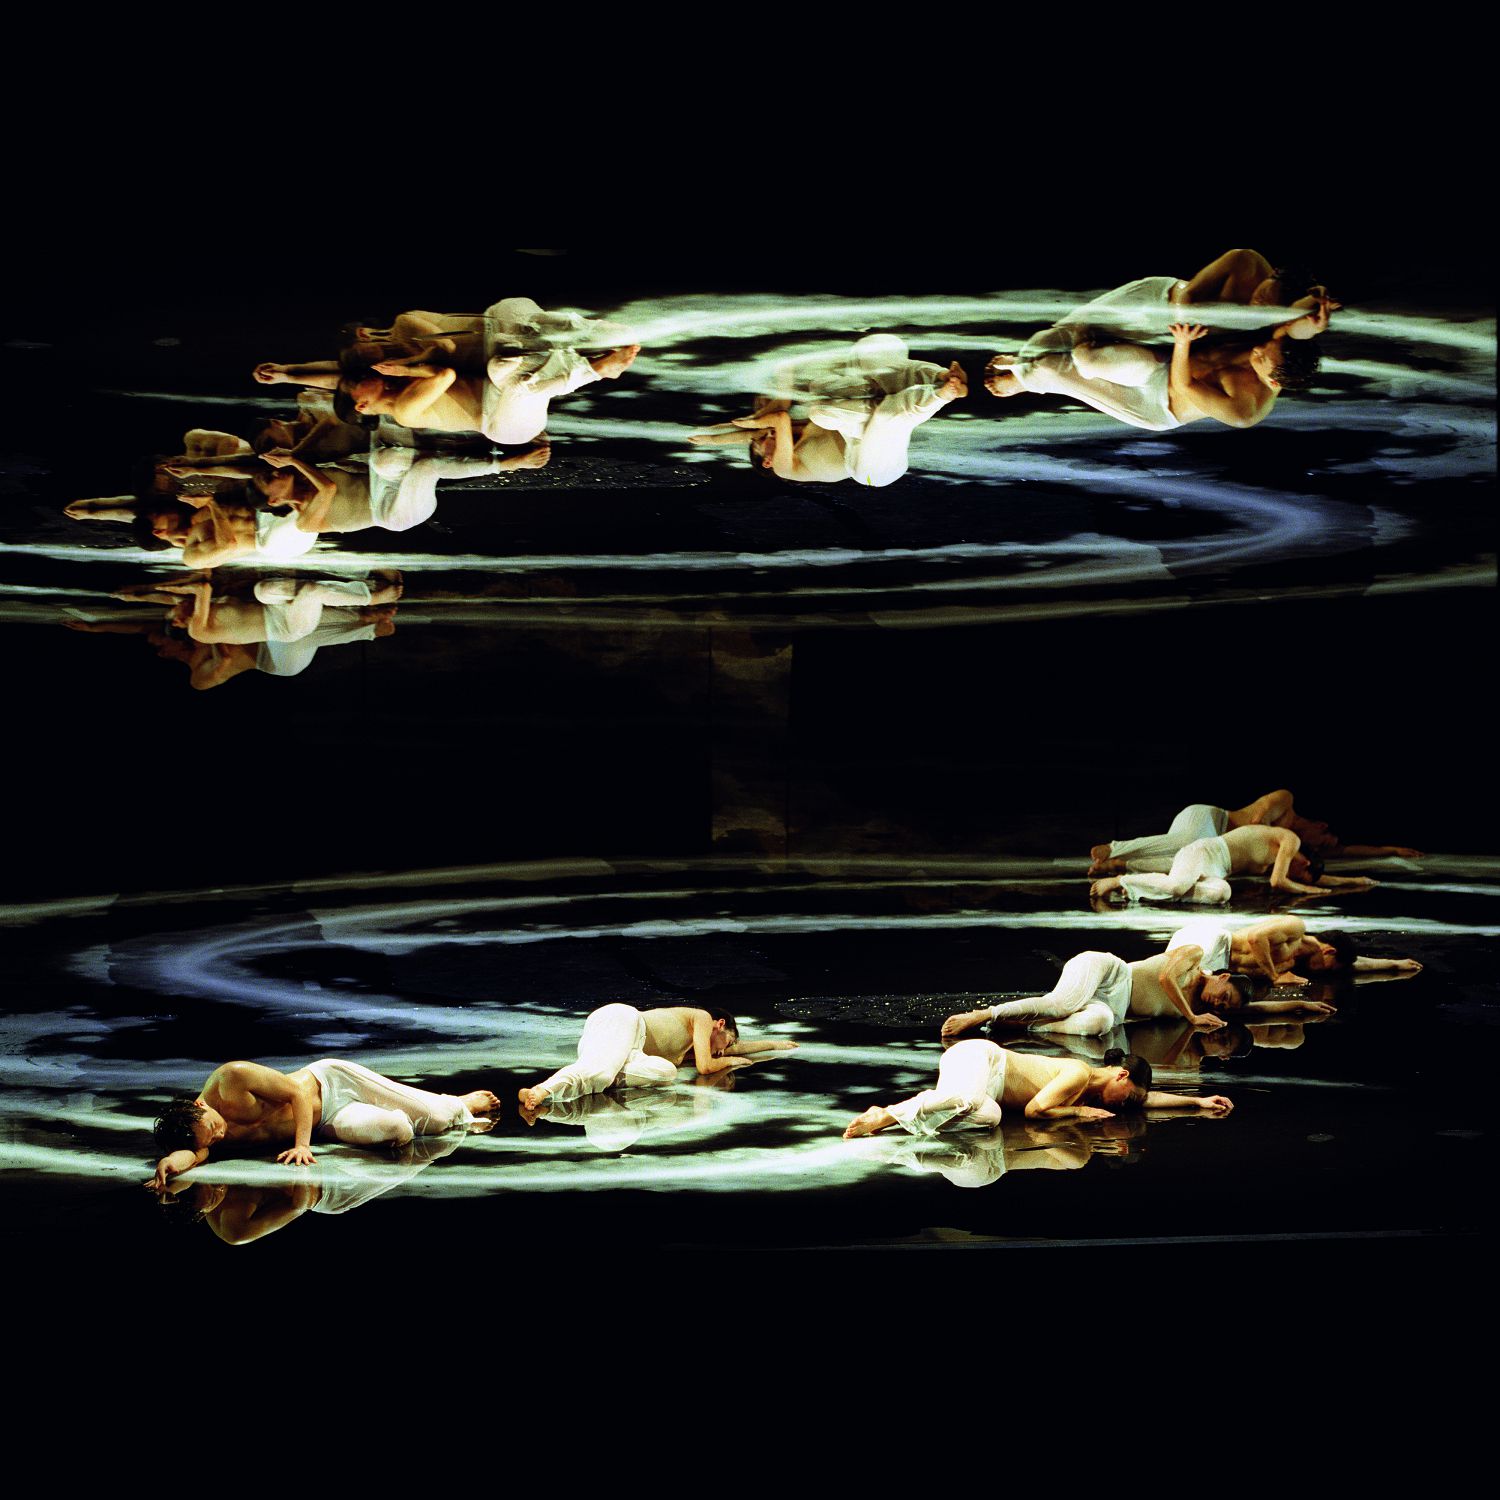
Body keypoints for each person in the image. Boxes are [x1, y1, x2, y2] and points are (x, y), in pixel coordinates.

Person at [144, 1059, 501, 1189]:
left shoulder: (231, 1078)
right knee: (400, 1131)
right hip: (326, 1121)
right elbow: (195, 1154)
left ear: (199, 1105)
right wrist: (169, 1164)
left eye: (213, 1126)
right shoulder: (202, 1136)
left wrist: (302, 1146)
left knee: (437, 1120)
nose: (220, 1134)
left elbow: (296, 1094)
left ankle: (459, 1102)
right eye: (211, 1138)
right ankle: (435, 1107)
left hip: (333, 1083)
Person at [690, 334, 967, 486]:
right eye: (762, 442)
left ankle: (944, 378)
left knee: (869, 354)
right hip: (871, 470)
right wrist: (727, 434)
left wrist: (714, 435)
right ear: (767, 462)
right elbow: (777, 419)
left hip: (858, 425)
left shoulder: (802, 432)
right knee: (885, 417)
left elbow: (760, 428)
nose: (765, 435)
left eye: (761, 436)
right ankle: (941, 395)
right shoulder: (786, 468)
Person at [842, 1040, 1231, 1139]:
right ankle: (886, 1113)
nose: (1126, 1107)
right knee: (975, 1101)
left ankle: (899, 1118)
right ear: (1121, 1076)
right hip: (980, 1058)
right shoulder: (1078, 1074)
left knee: (989, 1117)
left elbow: (1147, 1101)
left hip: (987, 1089)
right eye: (1127, 1098)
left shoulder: (1099, 1089)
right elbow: (1034, 1111)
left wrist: (1197, 1102)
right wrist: (1076, 1111)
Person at [516, 1003, 798, 1111]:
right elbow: (706, 1066)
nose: (725, 1051)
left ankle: (557, 1090)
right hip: (623, 1020)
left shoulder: (694, 1045)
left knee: (666, 1072)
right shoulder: (703, 1017)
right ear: (720, 1025)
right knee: (601, 1071)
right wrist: (731, 1062)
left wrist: (776, 1044)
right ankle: (541, 1090)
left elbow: (732, 1049)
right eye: (728, 1041)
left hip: (631, 1047)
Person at [936, 942, 1246, 1040]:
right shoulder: (1195, 956)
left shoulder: (1200, 1009)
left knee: (1099, 1025)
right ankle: (982, 1014)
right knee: (1060, 1004)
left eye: (1224, 1007)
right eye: (1225, 995)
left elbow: (1258, 1008)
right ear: (1223, 976)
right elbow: (1166, 977)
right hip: (1111, 972)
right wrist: (1191, 1017)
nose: (1218, 1003)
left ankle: (1027, 1026)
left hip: (1115, 1008)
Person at [1089, 790, 1421, 875]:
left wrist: (1390, 850)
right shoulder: (1285, 802)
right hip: (1210, 818)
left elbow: (1346, 851)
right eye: (1323, 840)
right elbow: (1259, 816)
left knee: (1185, 864)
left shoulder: (1295, 844)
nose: (1318, 847)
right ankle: (1114, 848)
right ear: (1321, 826)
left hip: (1215, 841)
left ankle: (1118, 867)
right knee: (1186, 843)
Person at [1090, 824, 1378, 905]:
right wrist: (1312, 891)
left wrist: (1355, 881)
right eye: (1301, 877)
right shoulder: (1291, 841)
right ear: (1305, 864)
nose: (1298, 879)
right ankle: (1119, 881)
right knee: (1177, 885)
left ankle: (1144, 891)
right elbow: (1279, 882)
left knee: (1221, 893)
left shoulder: (1293, 860)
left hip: (1217, 869)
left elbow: (1315, 879)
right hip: (1204, 852)